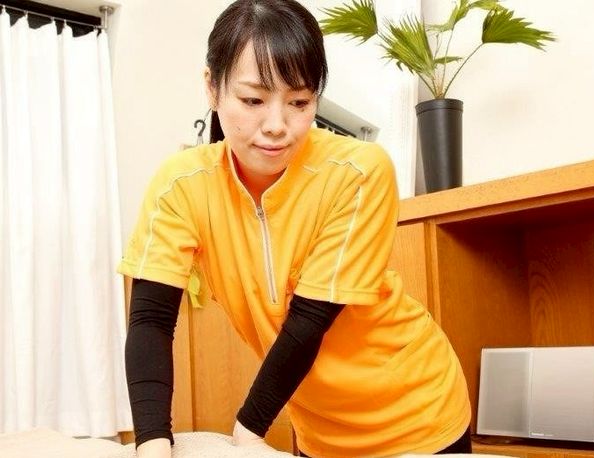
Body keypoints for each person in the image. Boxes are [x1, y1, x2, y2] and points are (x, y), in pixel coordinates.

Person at [119, 1, 471, 457]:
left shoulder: (359, 171)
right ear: (212, 87)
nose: (276, 126)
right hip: (319, 435)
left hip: (418, 417)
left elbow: (309, 321)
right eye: (253, 100)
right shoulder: (181, 184)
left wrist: (247, 431)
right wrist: (151, 444)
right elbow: (151, 320)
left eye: (300, 103)